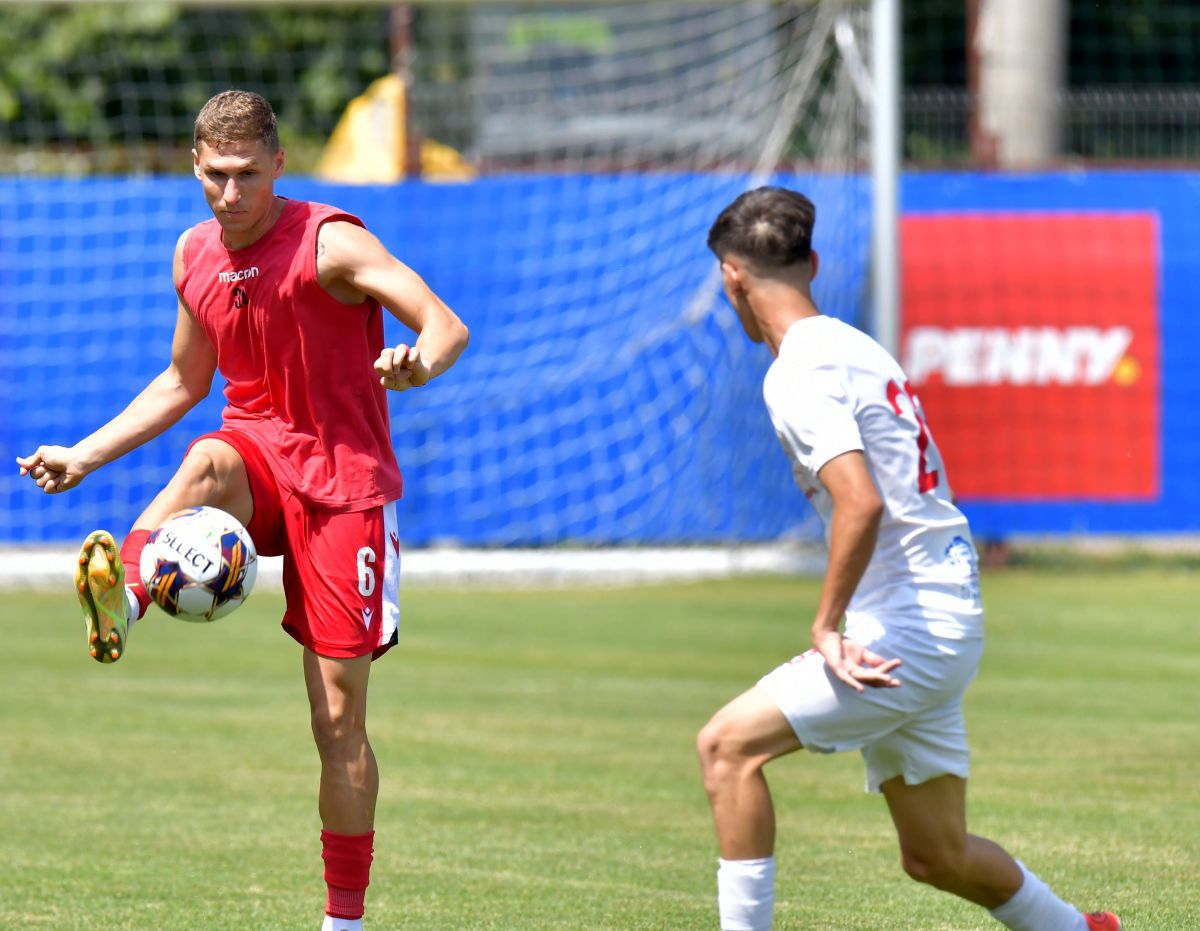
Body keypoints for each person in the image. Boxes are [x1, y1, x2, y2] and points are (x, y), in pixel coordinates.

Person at [16, 89, 469, 931]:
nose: (231, 194)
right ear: (195, 165)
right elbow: (185, 382)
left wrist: (419, 364)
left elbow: (445, 323)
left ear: (279, 166)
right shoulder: (193, 254)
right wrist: (83, 453)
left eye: (248, 176)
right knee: (211, 456)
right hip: (258, 460)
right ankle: (128, 594)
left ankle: (344, 921)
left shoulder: (333, 241)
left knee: (335, 719)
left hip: (344, 487)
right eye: (217, 175)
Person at [696, 186, 1120, 931]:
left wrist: (826, 624)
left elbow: (860, 501)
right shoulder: (856, 345)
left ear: (732, 277)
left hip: (905, 628)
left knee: (726, 747)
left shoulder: (797, 370)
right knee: (936, 854)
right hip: (942, 611)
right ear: (813, 263)